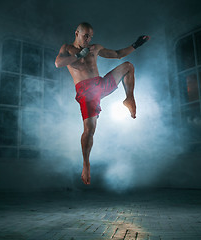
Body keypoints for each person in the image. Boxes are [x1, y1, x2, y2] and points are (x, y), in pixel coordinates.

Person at [55, 22, 149, 185]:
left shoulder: (95, 48)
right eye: (86, 36)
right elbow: (58, 63)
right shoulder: (67, 48)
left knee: (128, 66)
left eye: (91, 36)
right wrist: (79, 55)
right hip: (86, 92)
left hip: (101, 84)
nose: (89, 39)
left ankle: (129, 98)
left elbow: (118, 53)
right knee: (89, 129)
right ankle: (86, 164)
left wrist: (137, 44)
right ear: (77, 33)